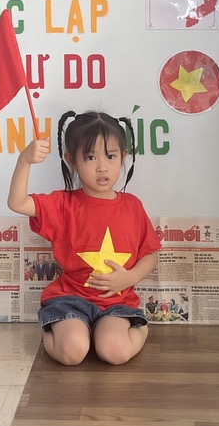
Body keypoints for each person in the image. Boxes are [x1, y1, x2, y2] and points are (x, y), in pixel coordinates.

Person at [8, 112, 161, 365]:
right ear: (73, 161)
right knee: (73, 352)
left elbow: (150, 253)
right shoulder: (63, 204)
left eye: (111, 156)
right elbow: (17, 203)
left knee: (114, 352)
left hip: (116, 303)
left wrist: (130, 277)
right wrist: (24, 160)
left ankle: (136, 327)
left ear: (123, 156)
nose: (102, 167)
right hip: (70, 300)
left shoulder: (132, 206)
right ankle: (60, 330)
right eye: (90, 157)